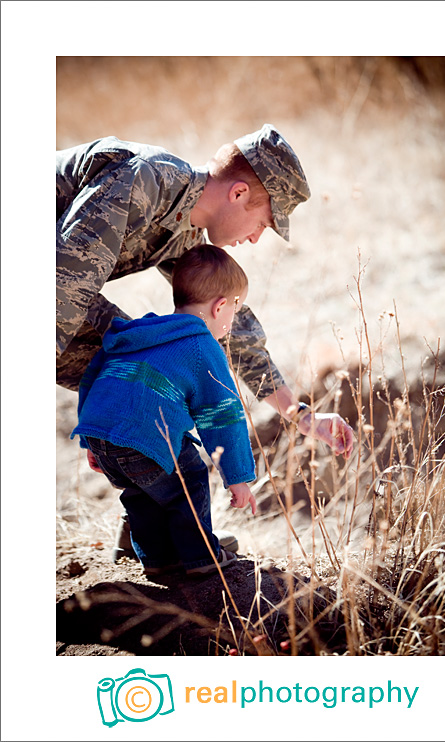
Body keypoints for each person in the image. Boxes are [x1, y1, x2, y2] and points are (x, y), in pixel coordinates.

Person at [57, 123, 354, 559]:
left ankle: (158, 528)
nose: (255, 238)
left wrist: (301, 416)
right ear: (237, 193)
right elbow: (59, 289)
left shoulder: (184, 230)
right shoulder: (145, 181)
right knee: (131, 356)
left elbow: (234, 327)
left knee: (138, 359)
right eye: (264, 221)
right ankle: (171, 529)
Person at [71, 245, 257, 576]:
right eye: (236, 309)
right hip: (143, 434)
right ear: (220, 307)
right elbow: (222, 415)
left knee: (140, 493)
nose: (233, 319)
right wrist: (238, 476)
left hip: (101, 432)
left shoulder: (138, 333)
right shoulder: (201, 344)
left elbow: (93, 377)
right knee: (188, 480)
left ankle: (158, 561)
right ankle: (201, 558)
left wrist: (92, 441)